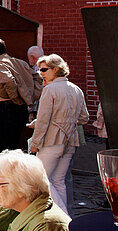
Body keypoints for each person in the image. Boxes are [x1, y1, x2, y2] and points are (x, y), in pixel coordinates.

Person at [29, 54, 89, 216]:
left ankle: (62, 215)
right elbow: (84, 118)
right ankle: (64, 216)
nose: (41, 73)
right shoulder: (76, 89)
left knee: (42, 179)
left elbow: (43, 121)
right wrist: (67, 121)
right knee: (58, 181)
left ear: (55, 69)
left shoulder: (50, 90)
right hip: (70, 140)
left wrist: (35, 143)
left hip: (52, 141)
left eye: (44, 69)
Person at [0, 38, 36, 153]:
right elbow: (36, 77)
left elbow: (8, 81)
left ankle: (5, 170)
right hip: (21, 107)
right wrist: (30, 97)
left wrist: (15, 99)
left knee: (4, 146)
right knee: (15, 144)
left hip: (8, 107)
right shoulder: (20, 62)